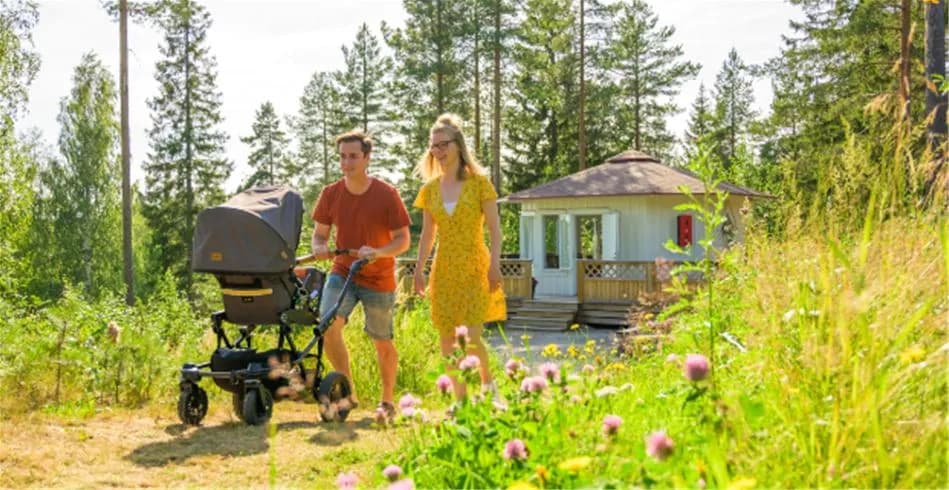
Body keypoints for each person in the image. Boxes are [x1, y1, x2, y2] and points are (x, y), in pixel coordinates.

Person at [311, 130, 411, 420]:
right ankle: (348, 393)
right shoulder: (330, 194)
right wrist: (320, 248)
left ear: (366, 158)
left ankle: (387, 402)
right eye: (342, 156)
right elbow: (319, 235)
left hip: (378, 277)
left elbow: (403, 240)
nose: (347, 162)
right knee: (328, 324)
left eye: (353, 156)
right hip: (343, 270)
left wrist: (378, 252)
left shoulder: (386, 194)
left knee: (382, 340)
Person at [412, 113, 505, 403]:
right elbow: (427, 235)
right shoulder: (429, 190)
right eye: (433, 147)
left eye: (443, 145)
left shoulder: (480, 184)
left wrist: (495, 265)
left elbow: (495, 230)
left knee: (472, 338)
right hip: (444, 269)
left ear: (458, 146)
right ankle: (460, 401)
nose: (438, 152)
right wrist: (418, 270)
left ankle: (488, 385)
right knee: (447, 340)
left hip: (476, 266)